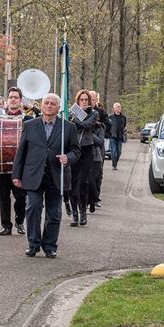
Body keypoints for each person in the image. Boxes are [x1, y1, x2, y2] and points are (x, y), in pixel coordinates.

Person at [12, 93, 80, 258]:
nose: (49, 106)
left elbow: (76, 150)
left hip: (56, 175)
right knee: (33, 208)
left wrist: (68, 157)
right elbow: (21, 151)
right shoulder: (29, 125)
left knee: (54, 213)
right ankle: (33, 244)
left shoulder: (68, 127)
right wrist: (16, 174)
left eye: (53, 103)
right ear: (41, 106)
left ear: (58, 107)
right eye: (46, 103)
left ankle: (49, 246)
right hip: (33, 175)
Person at [0, 87, 32, 237]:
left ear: (20, 101)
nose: (13, 99)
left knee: (20, 196)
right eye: (11, 97)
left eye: (16, 97)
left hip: (20, 165)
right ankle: (6, 225)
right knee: (3, 196)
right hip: (1, 162)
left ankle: (19, 221)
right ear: (7, 100)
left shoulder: (27, 120)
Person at [68, 89, 99, 227]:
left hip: (87, 150)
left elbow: (87, 125)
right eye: (82, 100)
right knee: (72, 182)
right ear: (78, 101)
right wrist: (71, 119)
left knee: (82, 182)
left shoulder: (94, 113)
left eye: (86, 100)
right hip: (74, 150)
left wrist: (75, 120)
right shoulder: (72, 112)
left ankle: (83, 211)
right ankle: (74, 213)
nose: (84, 102)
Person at [108, 102, 127, 170]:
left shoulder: (123, 117)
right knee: (114, 152)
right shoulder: (110, 117)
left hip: (120, 137)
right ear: (114, 108)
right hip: (112, 136)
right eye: (118, 107)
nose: (119, 108)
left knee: (119, 152)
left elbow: (124, 126)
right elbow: (108, 126)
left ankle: (115, 163)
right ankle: (114, 165)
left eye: (120, 107)